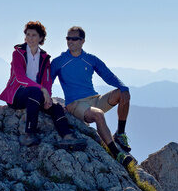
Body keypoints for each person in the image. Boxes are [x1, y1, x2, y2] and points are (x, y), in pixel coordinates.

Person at [50, 26, 134, 166]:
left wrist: (123, 87)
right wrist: (46, 100)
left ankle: (120, 133)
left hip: (94, 99)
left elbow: (108, 75)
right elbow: (48, 81)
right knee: (99, 115)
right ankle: (116, 153)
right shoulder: (59, 61)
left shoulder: (90, 59)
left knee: (123, 94)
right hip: (75, 103)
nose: (70, 41)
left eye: (74, 39)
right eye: (68, 38)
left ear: (82, 41)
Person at [0, 21, 87, 149]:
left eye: (34, 35)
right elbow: (20, 77)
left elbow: (47, 80)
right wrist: (41, 89)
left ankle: (67, 136)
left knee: (56, 107)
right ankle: (29, 135)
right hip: (17, 95)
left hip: (35, 96)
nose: (30, 38)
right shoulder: (18, 53)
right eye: (28, 35)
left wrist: (48, 98)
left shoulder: (45, 57)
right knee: (35, 92)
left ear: (41, 38)